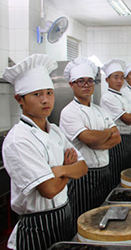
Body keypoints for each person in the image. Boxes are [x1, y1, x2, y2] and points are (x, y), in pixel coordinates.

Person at [2, 54, 88, 250]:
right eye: (36, 94)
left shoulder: (55, 131)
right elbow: (48, 190)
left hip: (65, 215)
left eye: (49, 93)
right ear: (19, 99)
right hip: (36, 226)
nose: (45, 100)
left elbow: (83, 167)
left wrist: (59, 171)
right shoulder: (18, 139)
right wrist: (67, 168)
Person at [59, 57, 121, 227]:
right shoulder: (69, 112)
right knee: (85, 221)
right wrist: (106, 133)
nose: (86, 85)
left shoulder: (100, 111)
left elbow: (117, 137)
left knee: (103, 218)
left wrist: (100, 137)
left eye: (89, 81)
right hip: (83, 177)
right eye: (80, 81)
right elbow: (89, 139)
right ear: (72, 85)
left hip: (104, 171)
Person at [100, 59, 131, 187]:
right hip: (118, 141)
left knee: (128, 173)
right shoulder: (107, 97)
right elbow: (128, 119)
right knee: (118, 176)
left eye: (122, 77)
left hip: (129, 139)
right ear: (107, 80)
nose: (119, 81)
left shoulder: (122, 96)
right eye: (115, 77)